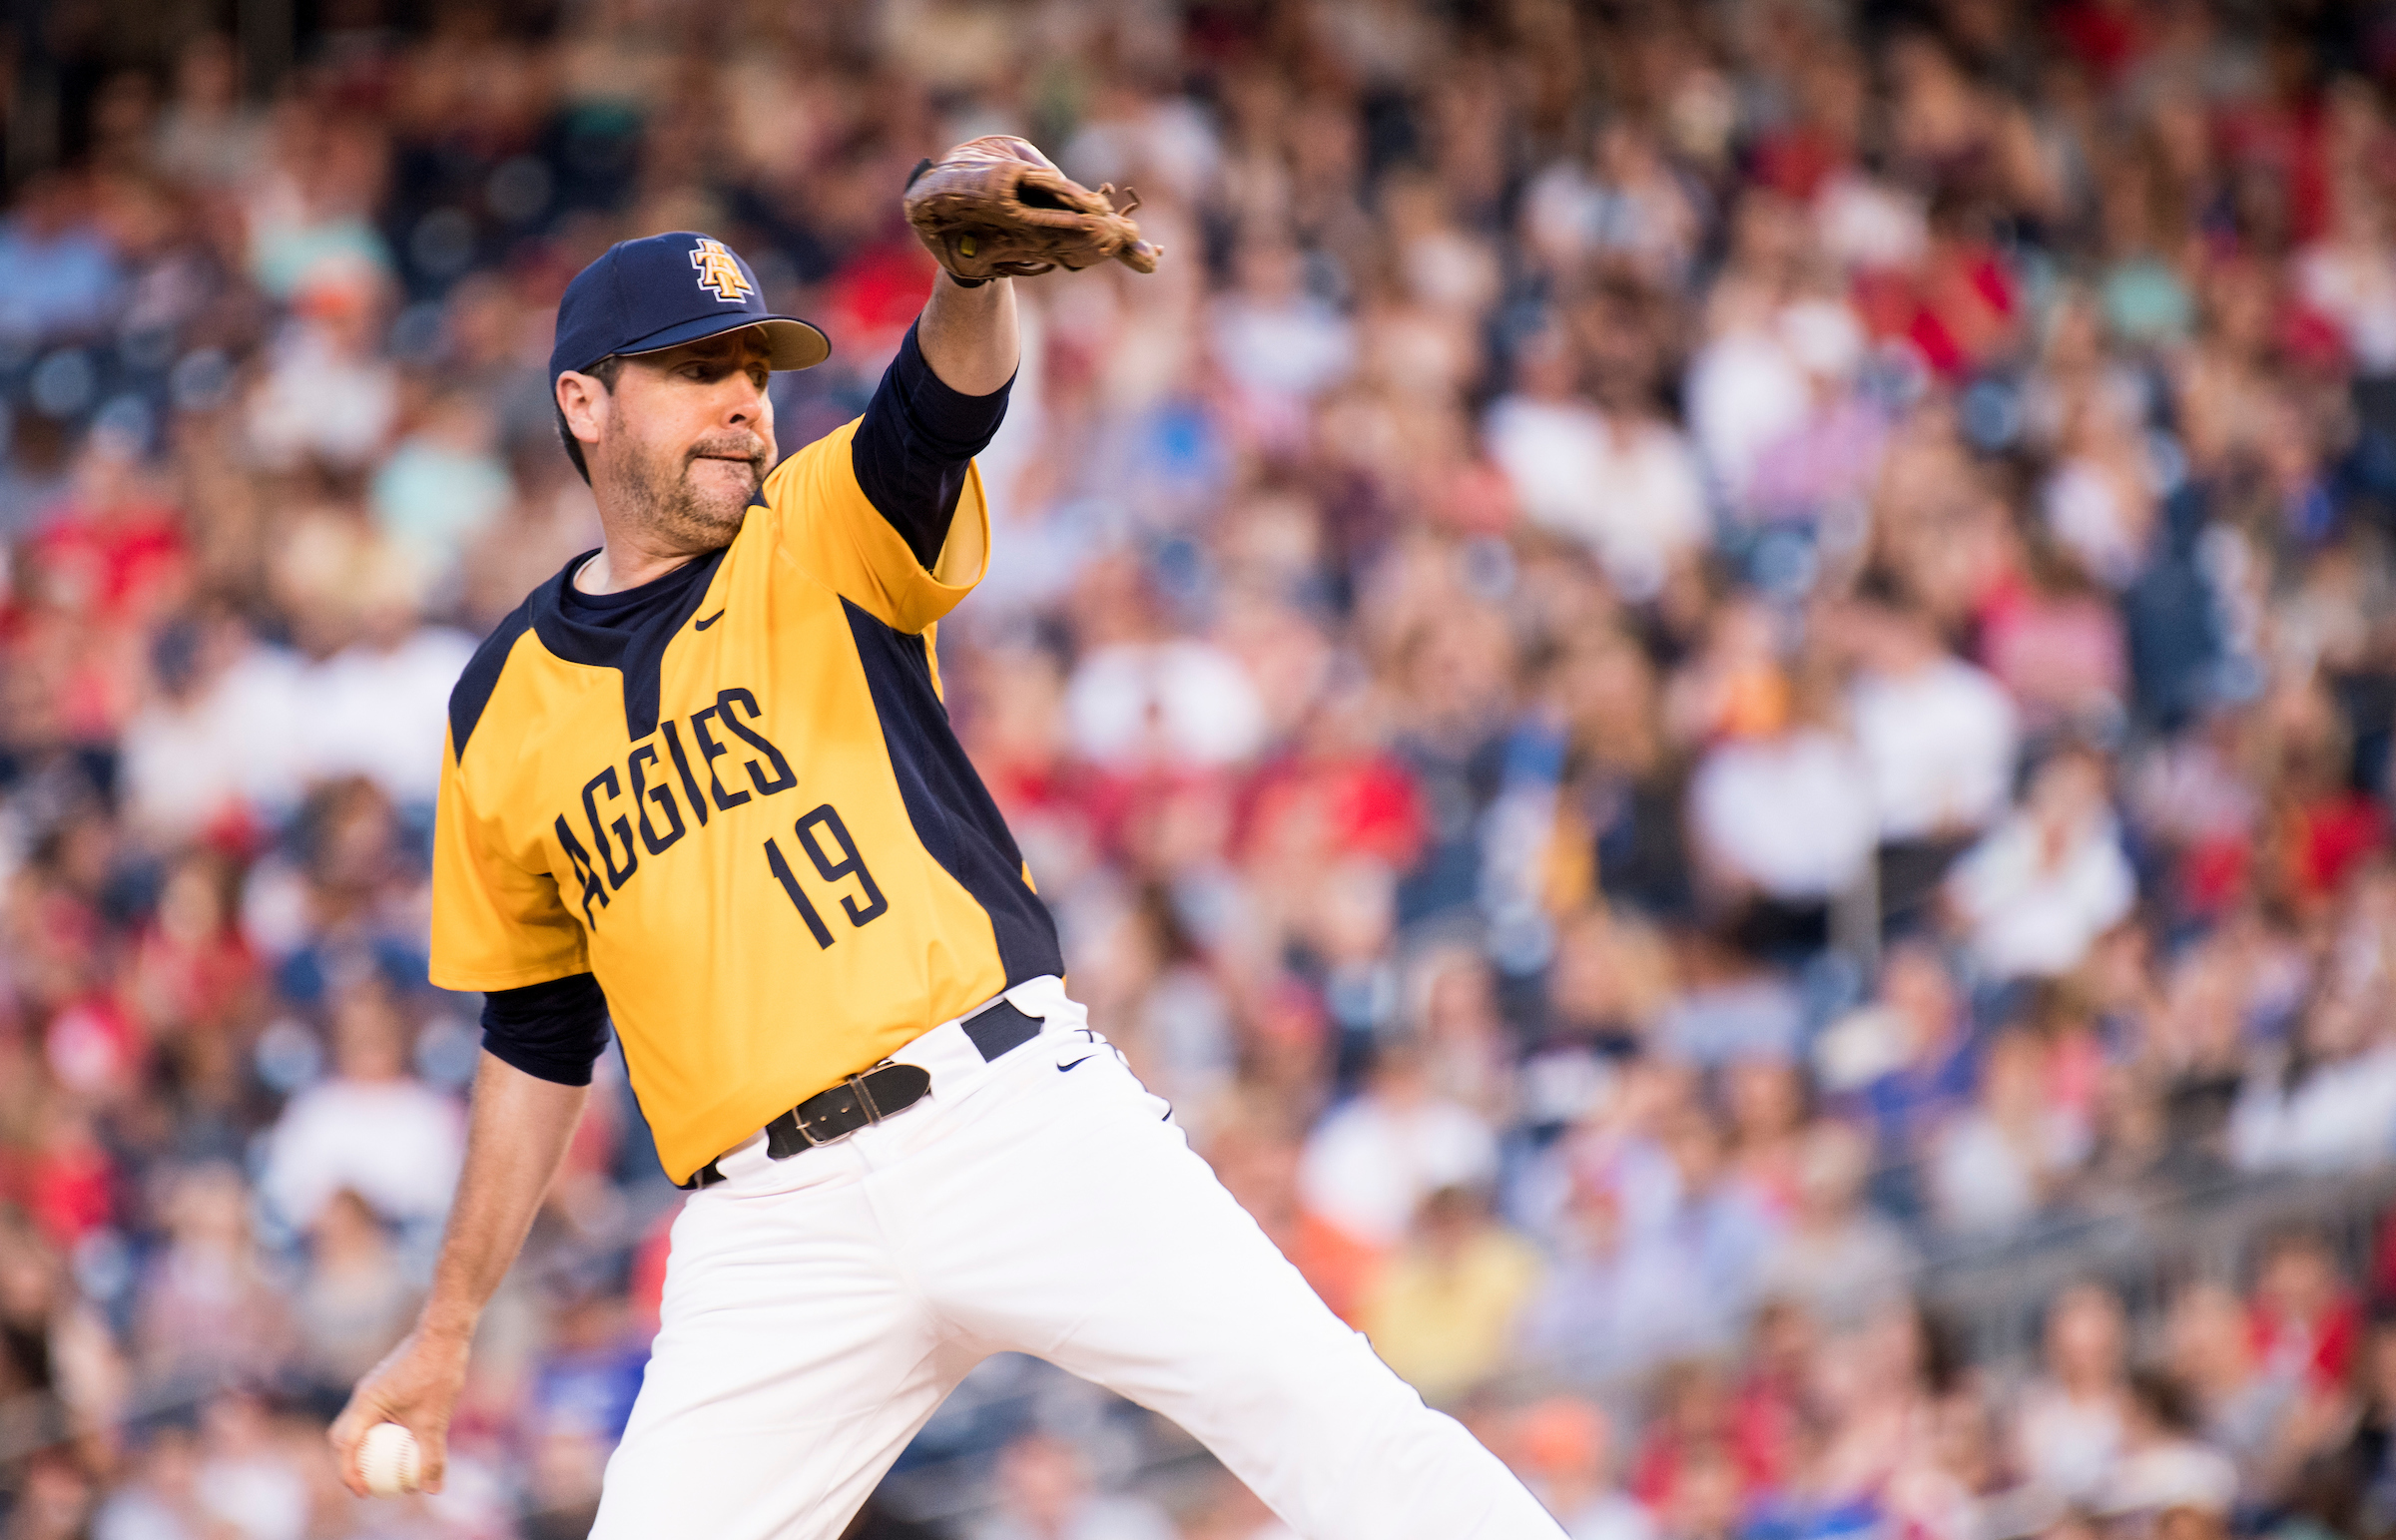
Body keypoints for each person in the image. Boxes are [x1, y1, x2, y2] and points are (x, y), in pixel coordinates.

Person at [325, 168, 1565, 1539]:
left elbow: (935, 415)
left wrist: (972, 282)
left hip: (1005, 1114)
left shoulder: (812, 526)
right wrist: (446, 1331)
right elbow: (539, 1035)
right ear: (584, 402)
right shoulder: (497, 708)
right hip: (768, 1230)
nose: (746, 396)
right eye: (696, 370)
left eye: (756, 366)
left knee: (1336, 1426)